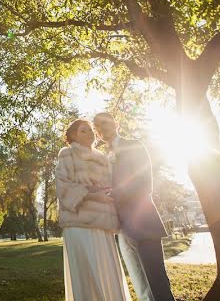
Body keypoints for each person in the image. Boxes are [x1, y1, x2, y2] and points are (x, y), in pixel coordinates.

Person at [93, 112, 175, 301]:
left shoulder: (134, 145)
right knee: (140, 284)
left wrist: (114, 194)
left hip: (144, 223)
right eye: (97, 126)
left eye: (104, 123)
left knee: (157, 280)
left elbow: (145, 183)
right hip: (121, 228)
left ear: (116, 124)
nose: (101, 129)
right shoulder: (104, 158)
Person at [55, 118, 132, 301]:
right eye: (83, 130)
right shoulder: (67, 154)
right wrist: (90, 194)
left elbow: (109, 185)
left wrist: (106, 192)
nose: (89, 133)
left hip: (103, 222)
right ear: (73, 135)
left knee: (106, 271)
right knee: (86, 274)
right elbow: (62, 186)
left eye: (90, 130)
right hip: (78, 222)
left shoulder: (102, 158)